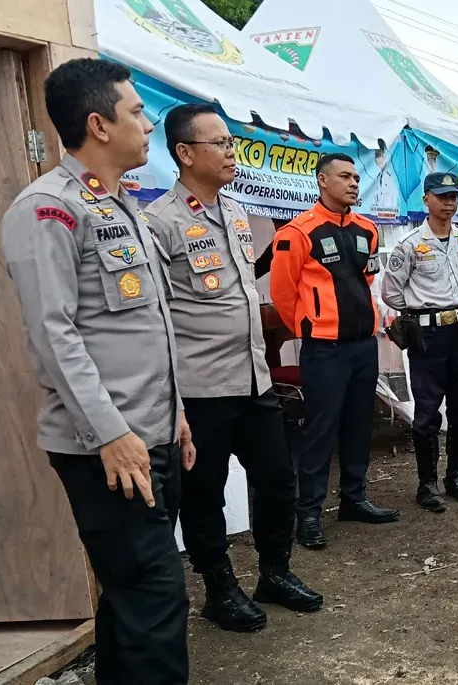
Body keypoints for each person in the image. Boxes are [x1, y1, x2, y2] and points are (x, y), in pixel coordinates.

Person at [0, 58, 195, 684]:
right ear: (98, 124)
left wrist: (177, 417)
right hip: (105, 448)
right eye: (136, 111)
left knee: (134, 598)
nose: (147, 123)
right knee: (157, 598)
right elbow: (53, 335)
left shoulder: (118, 205)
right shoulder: (47, 210)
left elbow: (144, 329)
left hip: (151, 437)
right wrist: (111, 433)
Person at [145, 104, 322, 632]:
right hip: (201, 388)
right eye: (219, 143)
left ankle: (275, 572)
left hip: (253, 379)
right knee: (205, 493)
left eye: (230, 142)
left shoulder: (237, 212)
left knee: (276, 478)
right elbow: (154, 314)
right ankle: (219, 588)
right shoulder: (160, 222)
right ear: (184, 153)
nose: (230, 151)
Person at [270, 152, 400, 550]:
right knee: (320, 430)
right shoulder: (298, 232)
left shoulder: (367, 229)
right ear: (322, 181)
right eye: (344, 176)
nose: (353, 183)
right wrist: (311, 328)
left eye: (356, 177)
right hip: (324, 350)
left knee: (360, 424)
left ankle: (354, 498)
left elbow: (369, 282)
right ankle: (308, 512)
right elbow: (283, 294)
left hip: (363, 346)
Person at [381, 172, 458, 512]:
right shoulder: (409, 245)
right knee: (426, 413)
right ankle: (427, 484)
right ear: (426, 199)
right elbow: (391, 293)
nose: (449, 201)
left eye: (453, 195)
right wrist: (418, 311)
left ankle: (456, 477)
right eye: (441, 196)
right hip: (428, 335)